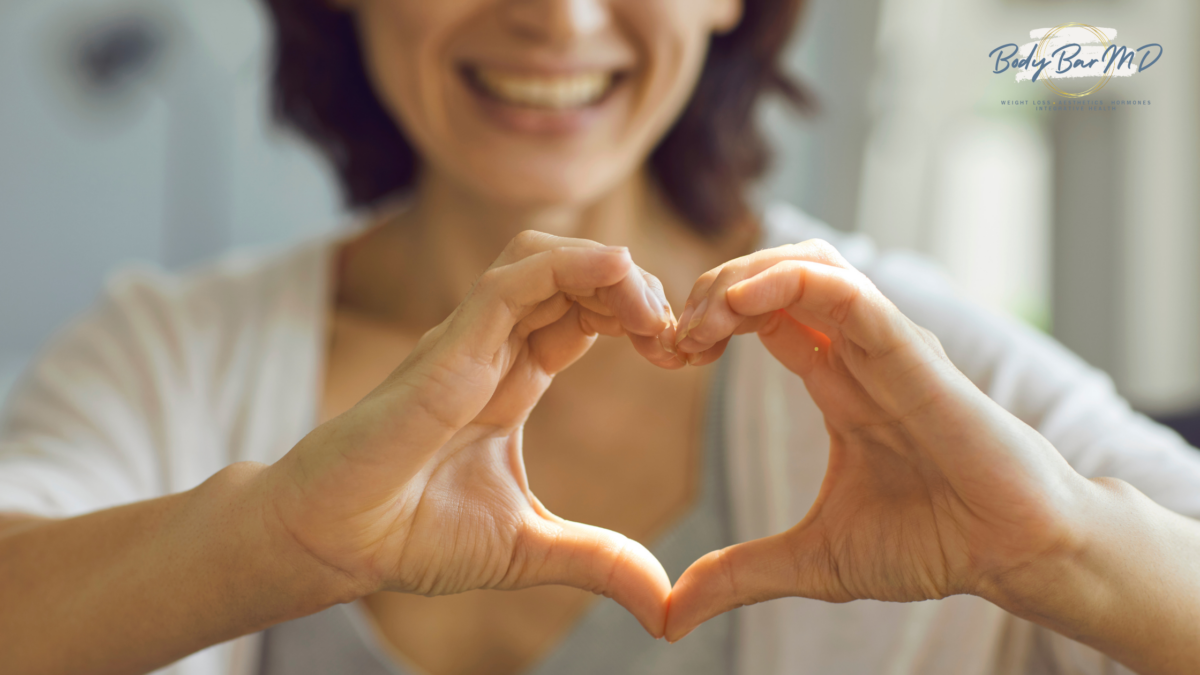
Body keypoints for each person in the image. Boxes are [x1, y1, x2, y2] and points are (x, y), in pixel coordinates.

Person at [1, 0, 1198, 673]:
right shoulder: (168, 352)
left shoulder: (915, 353)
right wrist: (269, 541)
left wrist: (1055, 546)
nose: (557, 19)